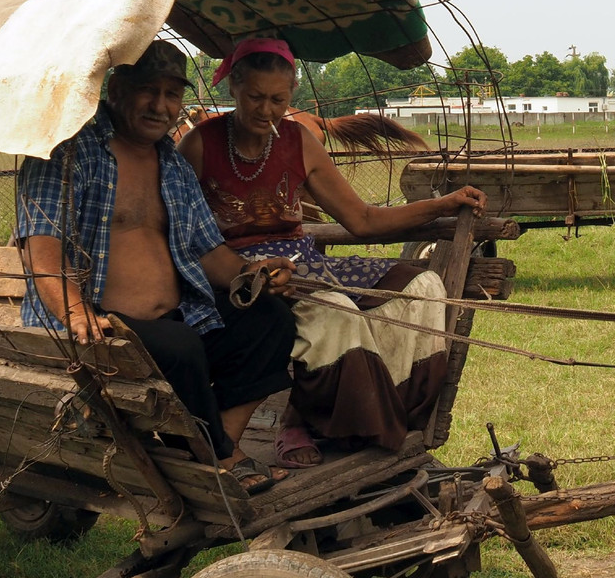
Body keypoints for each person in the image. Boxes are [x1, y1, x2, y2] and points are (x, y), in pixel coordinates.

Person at [178, 38, 486, 467]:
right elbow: (181, 236)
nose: (266, 111)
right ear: (233, 88)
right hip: (240, 278)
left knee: (422, 286)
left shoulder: (298, 140)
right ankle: (306, 424)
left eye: (278, 100)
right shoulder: (198, 145)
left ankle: (393, 414)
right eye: (255, 98)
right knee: (333, 308)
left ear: (291, 96)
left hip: (306, 264)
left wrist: (442, 204)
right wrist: (247, 272)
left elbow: (361, 219)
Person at [16, 40, 296, 492]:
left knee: (271, 321)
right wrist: (74, 312)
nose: (160, 106)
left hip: (179, 317)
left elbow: (212, 255)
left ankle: (206, 448)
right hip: (99, 324)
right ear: (116, 89)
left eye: (172, 94)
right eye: (148, 90)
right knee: (179, 346)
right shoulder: (67, 153)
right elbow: (41, 251)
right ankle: (223, 456)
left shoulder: (174, 164)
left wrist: (256, 273)